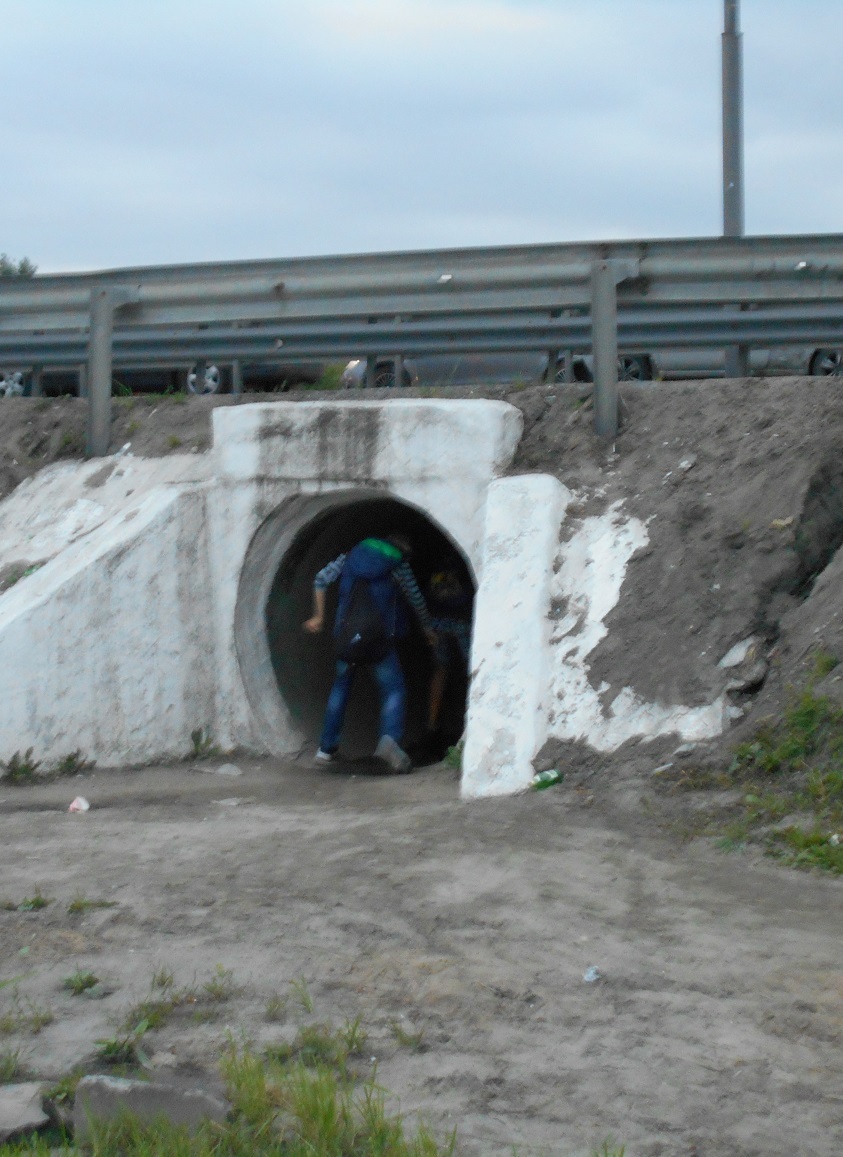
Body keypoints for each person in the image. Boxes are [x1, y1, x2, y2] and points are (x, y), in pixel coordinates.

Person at [303, 534, 436, 773]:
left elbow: (320, 579)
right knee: (394, 688)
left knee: (340, 688)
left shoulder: (349, 557)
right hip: (379, 640)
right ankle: (388, 743)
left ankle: (325, 750)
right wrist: (427, 628)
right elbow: (416, 600)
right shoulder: (399, 565)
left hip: (347, 638)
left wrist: (319, 616)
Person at [425, 568, 472, 737]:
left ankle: (431, 722)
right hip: (462, 622)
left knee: (440, 669)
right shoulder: (461, 573)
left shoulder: (435, 573)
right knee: (472, 668)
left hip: (438, 623)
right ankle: (473, 716)